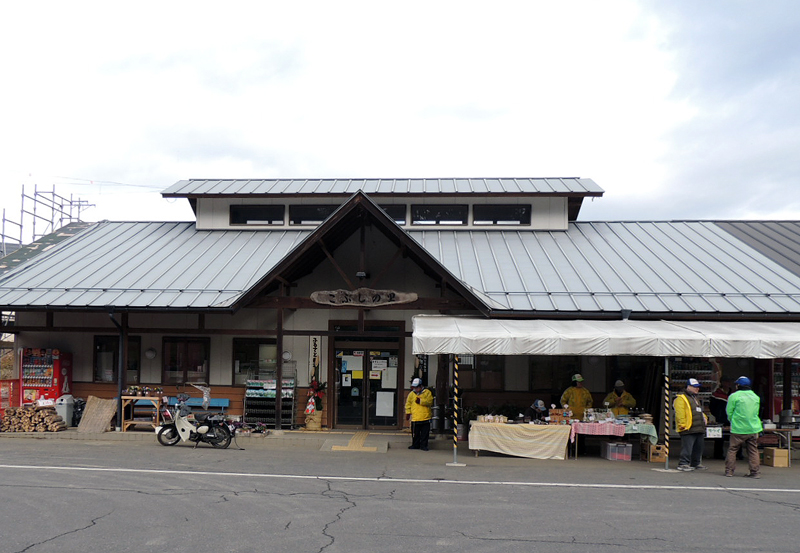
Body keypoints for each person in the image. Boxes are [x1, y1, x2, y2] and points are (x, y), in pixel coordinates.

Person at [725, 376, 763, 478]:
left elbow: (729, 412)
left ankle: (729, 471)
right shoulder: (755, 397)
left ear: (738, 385)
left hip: (738, 428)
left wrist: (732, 420)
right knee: (753, 450)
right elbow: (756, 412)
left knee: (733, 449)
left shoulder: (734, 396)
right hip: (753, 427)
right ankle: (755, 472)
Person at [673, 377, 708, 471]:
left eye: (698, 387)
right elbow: (679, 412)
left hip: (698, 427)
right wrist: (682, 424)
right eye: (695, 387)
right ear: (688, 387)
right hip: (688, 427)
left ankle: (696, 463)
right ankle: (683, 463)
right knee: (687, 447)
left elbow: (698, 411)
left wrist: (704, 417)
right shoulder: (681, 398)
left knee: (698, 447)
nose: (697, 389)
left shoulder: (694, 398)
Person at [405, 377, 433, 451]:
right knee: (415, 433)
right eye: (414, 387)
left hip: (425, 416)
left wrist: (421, 401)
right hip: (415, 417)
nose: (415, 389)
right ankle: (415, 445)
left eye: (417, 387)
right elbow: (408, 404)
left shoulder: (427, 392)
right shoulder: (411, 394)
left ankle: (424, 446)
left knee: (425, 433)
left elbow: (430, 402)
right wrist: (408, 413)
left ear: (421, 386)